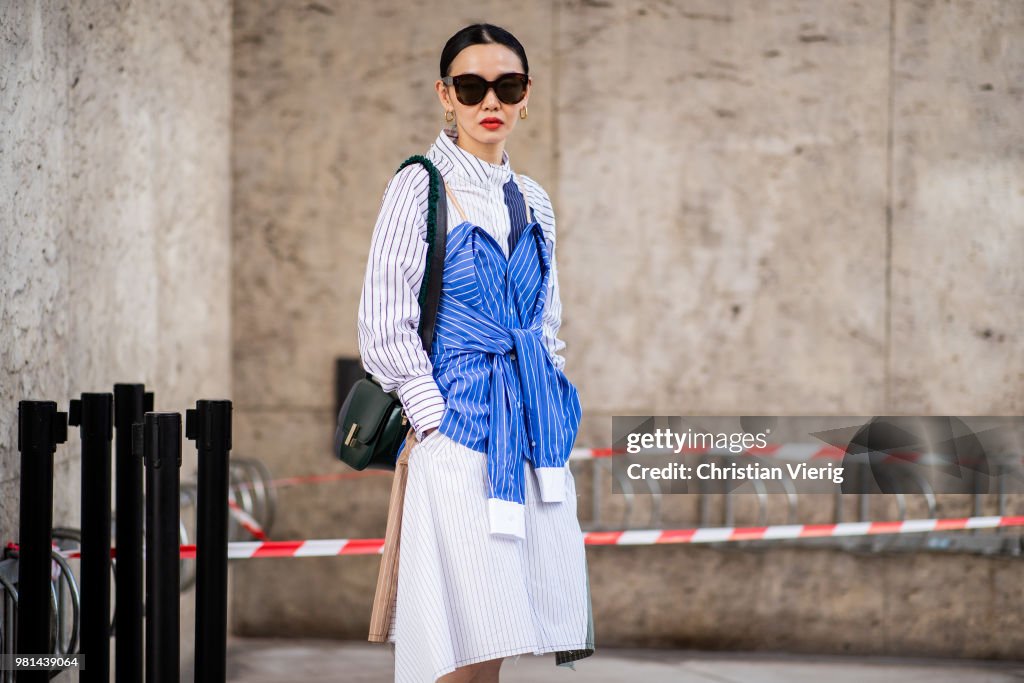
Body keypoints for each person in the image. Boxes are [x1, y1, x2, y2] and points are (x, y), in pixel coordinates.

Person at [357, 22, 595, 683]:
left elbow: (548, 324)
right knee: (452, 637)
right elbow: (383, 322)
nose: (489, 100)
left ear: (525, 96)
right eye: (471, 86)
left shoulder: (534, 201)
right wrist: (433, 419)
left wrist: (549, 402)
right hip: (457, 437)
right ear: (445, 95)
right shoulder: (420, 185)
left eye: (506, 85)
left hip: (528, 438)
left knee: (498, 631)